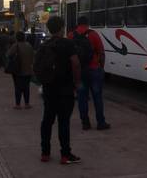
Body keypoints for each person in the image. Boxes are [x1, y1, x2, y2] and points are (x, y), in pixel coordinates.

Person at [39, 16, 82, 165]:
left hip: (49, 89)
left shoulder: (44, 45)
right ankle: (65, 154)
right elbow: (75, 63)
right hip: (65, 90)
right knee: (63, 122)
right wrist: (77, 83)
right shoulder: (68, 44)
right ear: (62, 28)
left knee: (47, 121)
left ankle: (45, 153)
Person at [68, 16, 110, 131]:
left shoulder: (71, 35)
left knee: (82, 98)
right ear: (87, 23)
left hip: (80, 71)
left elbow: (70, 56)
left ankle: (85, 123)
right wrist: (102, 67)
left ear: (77, 24)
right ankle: (101, 122)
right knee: (97, 97)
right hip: (94, 69)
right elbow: (101, 52)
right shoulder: (93, 34)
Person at [6, 31, 34, 109]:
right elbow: (32, 57)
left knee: (18, 87)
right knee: (26, 87)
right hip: (28, 70)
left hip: (18, 70)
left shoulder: (15, 45)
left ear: (16, 38)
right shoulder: (29, 45)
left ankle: (18, 104)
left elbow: (8, 55)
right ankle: (27, 104)